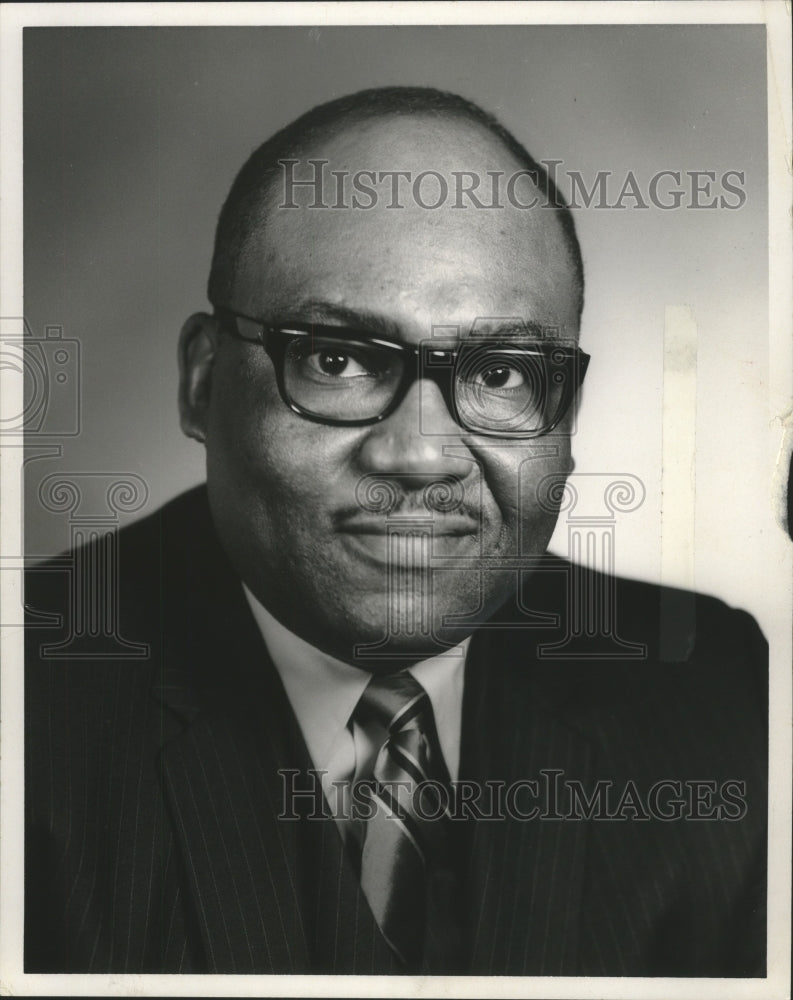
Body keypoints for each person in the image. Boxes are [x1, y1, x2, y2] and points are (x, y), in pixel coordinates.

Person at [24, 86, 767, 976]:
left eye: (499, 372)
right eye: (336, 359)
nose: (419, 454)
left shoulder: (716, 697)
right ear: (202, 382)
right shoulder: (26, 718)